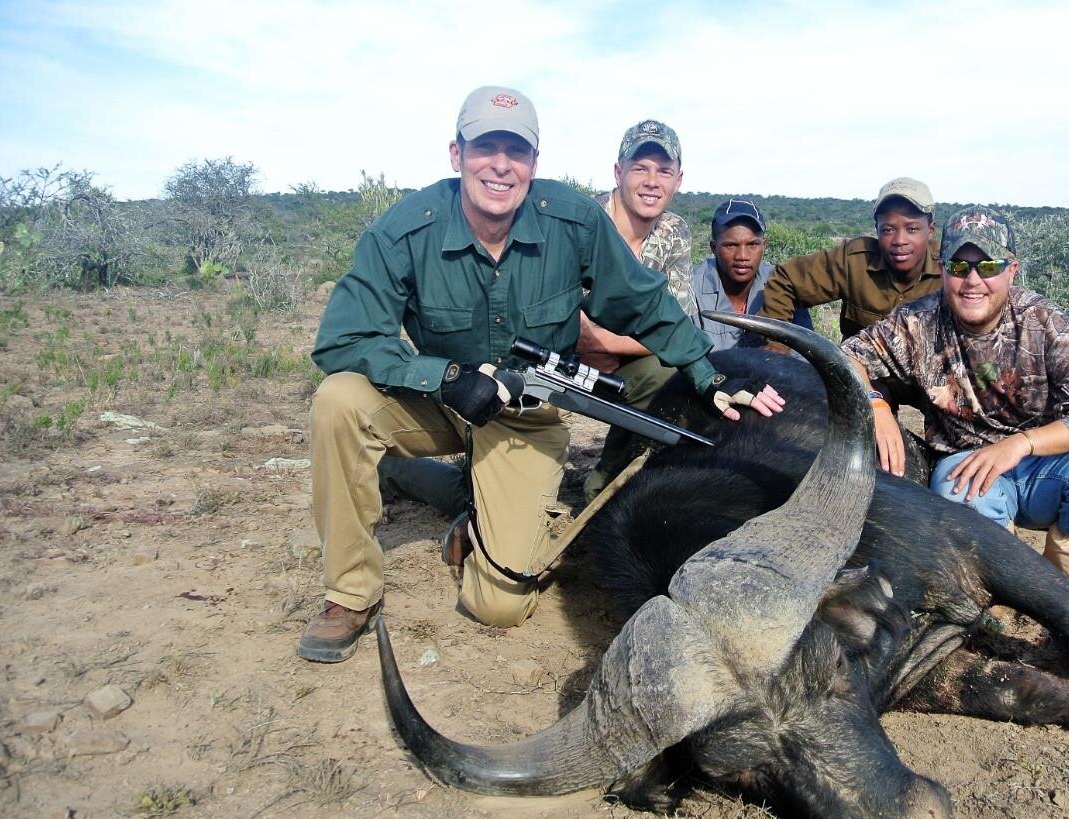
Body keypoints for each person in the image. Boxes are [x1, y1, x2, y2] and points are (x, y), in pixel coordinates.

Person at [299, 86, 783, 663]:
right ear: (457, 155)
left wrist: (709, 374)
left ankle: (416, 479)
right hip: (439, 401)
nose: (500, 165)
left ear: (534, 161)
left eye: (516, 150)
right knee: (339, 400)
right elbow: (344, 341)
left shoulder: (571, 220)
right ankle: (350, 593)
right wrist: (446, 376)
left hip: (525, 416)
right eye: (485, 147)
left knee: (498, 606)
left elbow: (643, 302)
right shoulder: (404, 230)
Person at [840, 206, 1069, 585]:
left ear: (1012, 270)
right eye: (960, 267)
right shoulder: (917, 321)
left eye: (989, 266)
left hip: (1043, 464)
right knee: (956, 493)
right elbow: (847, 356)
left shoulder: (1043, 320)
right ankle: (1000, 590)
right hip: (967, 465)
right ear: (942, 268)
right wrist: (875, 404)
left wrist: (1020, 444)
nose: (973, 281)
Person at [578, 119, 697, 501]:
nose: (652, 181)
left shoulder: (673, 231)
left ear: (678, 180)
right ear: (618, 172)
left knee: (674, 377)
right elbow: (553, 313)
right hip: (548, 357)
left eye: (663, 170)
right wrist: (589, 341)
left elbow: (677, 326)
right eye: (640, 168)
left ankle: (605, 485)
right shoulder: (582, 220)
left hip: (613, 359)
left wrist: (607, 344)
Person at [761, 177, 942, 342]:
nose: (899, 241)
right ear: (876, 229)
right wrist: (777, 344)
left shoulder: (950, 268)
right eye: (888, 230)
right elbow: (786, 279)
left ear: (930, 230)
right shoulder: (854, 260)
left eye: (912, 229)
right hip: (857, 371)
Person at [690, 198, 813, 349]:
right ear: (714, 247)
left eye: (753, 244)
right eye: (731, 245)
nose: (742, 256)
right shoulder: (688, 286)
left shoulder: (785, 285)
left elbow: (805, 352)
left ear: (764, 245)